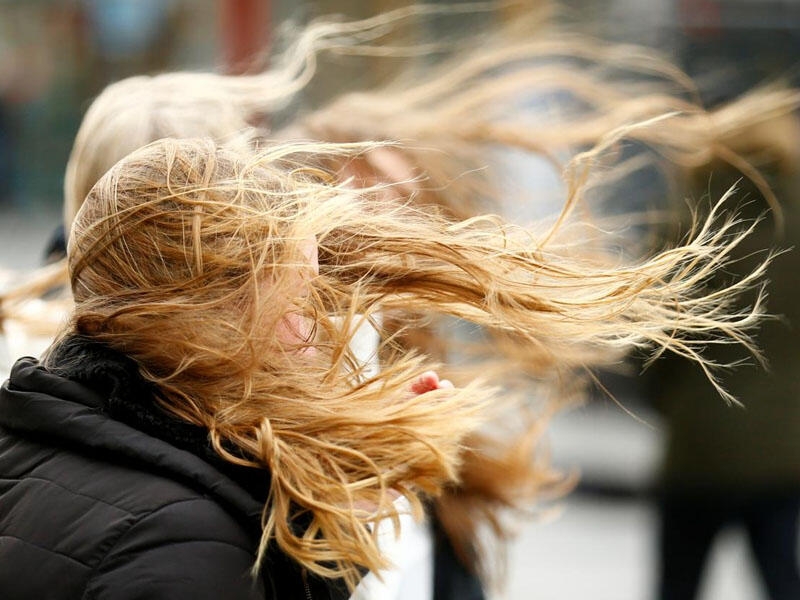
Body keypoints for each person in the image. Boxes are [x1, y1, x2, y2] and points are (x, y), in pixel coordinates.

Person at [0, 132, 772, 599]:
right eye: (298, 303)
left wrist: (341, 522)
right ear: (214, 322)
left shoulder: (36, 443)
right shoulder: (184, 544)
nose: (319, 334)